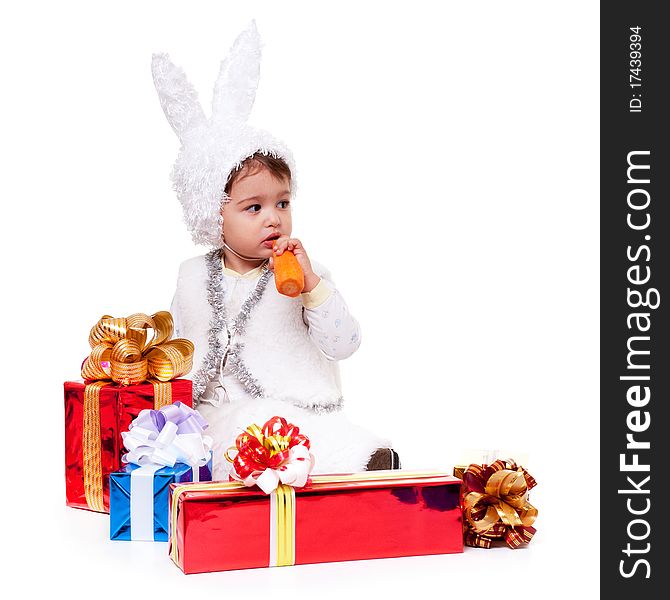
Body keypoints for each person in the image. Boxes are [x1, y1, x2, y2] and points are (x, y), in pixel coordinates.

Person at [153, 22, 395, 479]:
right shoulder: (189, 276)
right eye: (254, 207)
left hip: (294, 411)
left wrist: (313, 289)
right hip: (211, 421)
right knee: (206, 439)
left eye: (283, 203)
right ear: (212, 214)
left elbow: (344, 344)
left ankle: (365, 462)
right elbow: (177, 347)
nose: (273, 217)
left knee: (297, 432)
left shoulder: (306, 273)